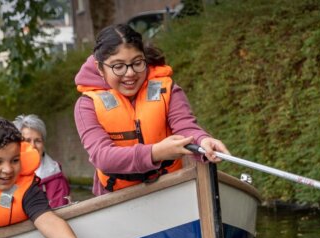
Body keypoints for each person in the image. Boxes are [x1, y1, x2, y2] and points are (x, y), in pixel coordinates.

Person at [74, 24, 229, 196]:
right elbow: (102, 157)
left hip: (171, 185)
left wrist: (203, 141)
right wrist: (156, 153)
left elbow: (186, 127)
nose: (130, 73)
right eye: (118, 66)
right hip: (116, 195)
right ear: (100, 68)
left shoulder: (168, 90)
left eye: (137, 63)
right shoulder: (86, 105)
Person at [13, 114, 71, 208]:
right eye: (27, 141)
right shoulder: (8, 175)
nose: (32, 146)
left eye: (38, 141)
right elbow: (3, 207)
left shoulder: (57, 179)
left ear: (43, 144)